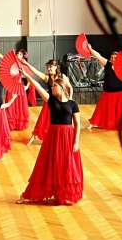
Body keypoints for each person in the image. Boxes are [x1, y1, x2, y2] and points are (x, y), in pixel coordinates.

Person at [17, 72, 83, 205]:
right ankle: (29, 194)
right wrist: (27, 76)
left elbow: (77, 124)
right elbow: (37, 86)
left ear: (62, 88)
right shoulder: (51, 101)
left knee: (66, 165)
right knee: (47, 165)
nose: (52, 88)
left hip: (68, 136)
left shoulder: (72, 104)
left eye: (54, 86)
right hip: (53, 137)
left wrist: (76, 142)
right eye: (52, 86)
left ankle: (64, 193)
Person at [87, 46, 122, 131]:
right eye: (112, 57)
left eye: (115, 58)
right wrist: (90, 49)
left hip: (119, 93)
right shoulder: (107, 64)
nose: (113, 59)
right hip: (107, 93)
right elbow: (98, 56)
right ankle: (95, 123)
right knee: (102, 109)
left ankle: (118, 124)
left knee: (119, 111)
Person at [0, 45, 30, 131]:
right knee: (10, 106)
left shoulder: (24, 65)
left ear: (23, 56)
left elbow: (30, 77)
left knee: (20, 107)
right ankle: (11, 124)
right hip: (11, 86)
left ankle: (19, 124)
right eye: (17, 53)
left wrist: (27, 86)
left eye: (20, 54)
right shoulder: (11, 62)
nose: (17, 55)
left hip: (20, 87)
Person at [20, 58, 60, 145]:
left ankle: (54, 139)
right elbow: (36, 72)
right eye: (47, 67)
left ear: (56, 67)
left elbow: (70, 88)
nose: (48, 69)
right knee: (42, 121)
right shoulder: (47, 77)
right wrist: (26, 64)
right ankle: (33, 137)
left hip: (59, 103)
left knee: (56, 122)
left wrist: (69, 98)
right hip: (49, 101)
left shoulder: (62, 77)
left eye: (50, 67)